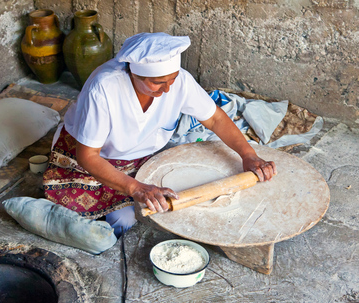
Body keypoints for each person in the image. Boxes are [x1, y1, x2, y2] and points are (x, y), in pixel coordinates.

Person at [43, 32, 276, 238]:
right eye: (157, 83)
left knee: (175, 199)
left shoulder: (179, 82)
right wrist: (136, 188)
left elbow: (215, 118)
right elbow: (88, 156)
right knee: (123, 220)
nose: (167, 90)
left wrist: (248, 154)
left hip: (139, 157)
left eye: (172, 80)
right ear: (134, 75)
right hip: (91, 159)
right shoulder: (104, 88)